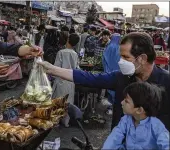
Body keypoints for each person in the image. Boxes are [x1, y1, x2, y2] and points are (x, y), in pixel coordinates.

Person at [37, 32, 170, 131]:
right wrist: (52, 69)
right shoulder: (121, 77)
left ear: (142, 58)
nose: (120, 61)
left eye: (125, 57)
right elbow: (88, 77)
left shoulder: (166, 82)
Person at [102, 82, 169, 150]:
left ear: (139, 110)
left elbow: (166, 143)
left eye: (126, 101)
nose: (122, 102)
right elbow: (115, 137)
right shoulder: (126, 120)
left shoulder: (156, 126)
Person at [52, 33, 80, 127]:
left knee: (58, 102)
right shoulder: (75, 54)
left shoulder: (61, 52)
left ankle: (56, 121)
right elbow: (76, 68)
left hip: (60, 80)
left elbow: (56, 68)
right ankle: (66, 121)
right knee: (68, 103)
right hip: (70, 81)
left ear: (68, 40)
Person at [102, 33, 121, 115]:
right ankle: (115, 108)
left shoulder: (109, 47)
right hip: (118, 72)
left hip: (109, 71)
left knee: (110, 90)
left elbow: (104, 58)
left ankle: (110, 108)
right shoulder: (119, 48)